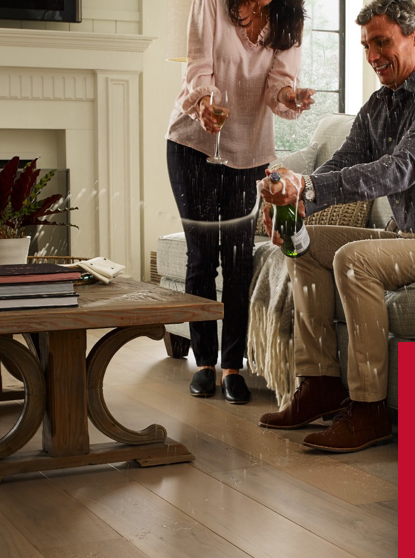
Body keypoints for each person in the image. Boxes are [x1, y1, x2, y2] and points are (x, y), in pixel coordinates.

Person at [256, 0, 415, 451]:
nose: (372, 56)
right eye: (367, 45)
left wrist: (305, 187)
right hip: (410, 238)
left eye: (382, 42)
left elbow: (401, 168)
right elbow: (345, 162)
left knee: (353, 259)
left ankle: (369, 410)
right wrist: (292, 196)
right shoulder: (379, 105)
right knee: (302, 246)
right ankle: (320, 382)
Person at [166, 0, 314, 403]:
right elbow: (199, 66)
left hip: (249, 151)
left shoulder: (289, 17)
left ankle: (233, 366)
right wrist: (204, 105)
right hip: (193, 144)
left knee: (237, 259)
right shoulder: (211, 4)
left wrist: (291, 95)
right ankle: (204, 363)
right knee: (201, 257)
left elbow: (277, 85)